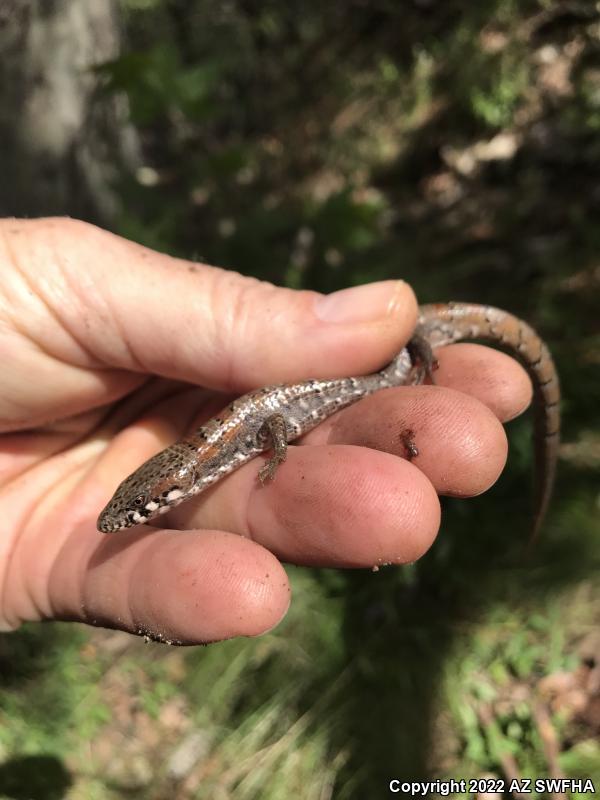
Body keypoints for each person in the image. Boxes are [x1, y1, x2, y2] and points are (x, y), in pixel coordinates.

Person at [0, 218, 533, 644]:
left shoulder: (231, 445)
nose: (130, 517)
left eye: (139, 507)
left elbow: (277, 421)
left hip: (389, 356)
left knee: (427, 389)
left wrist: (277, 455)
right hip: (365, 380)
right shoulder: (210, 455)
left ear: (172, 489)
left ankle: (420, 347)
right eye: (134, 506)